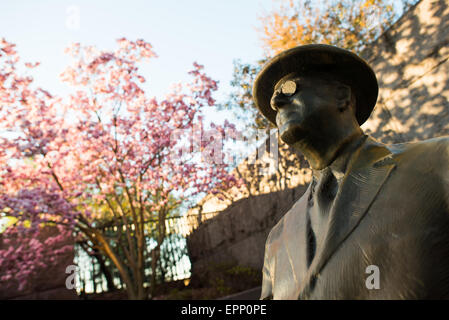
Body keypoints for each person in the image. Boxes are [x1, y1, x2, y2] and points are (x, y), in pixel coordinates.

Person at [252, 44, 449, 299]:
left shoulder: (437, 163)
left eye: (290, 88)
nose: (276, 102)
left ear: (342, 95)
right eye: (274, 102)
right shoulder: (276, 239)